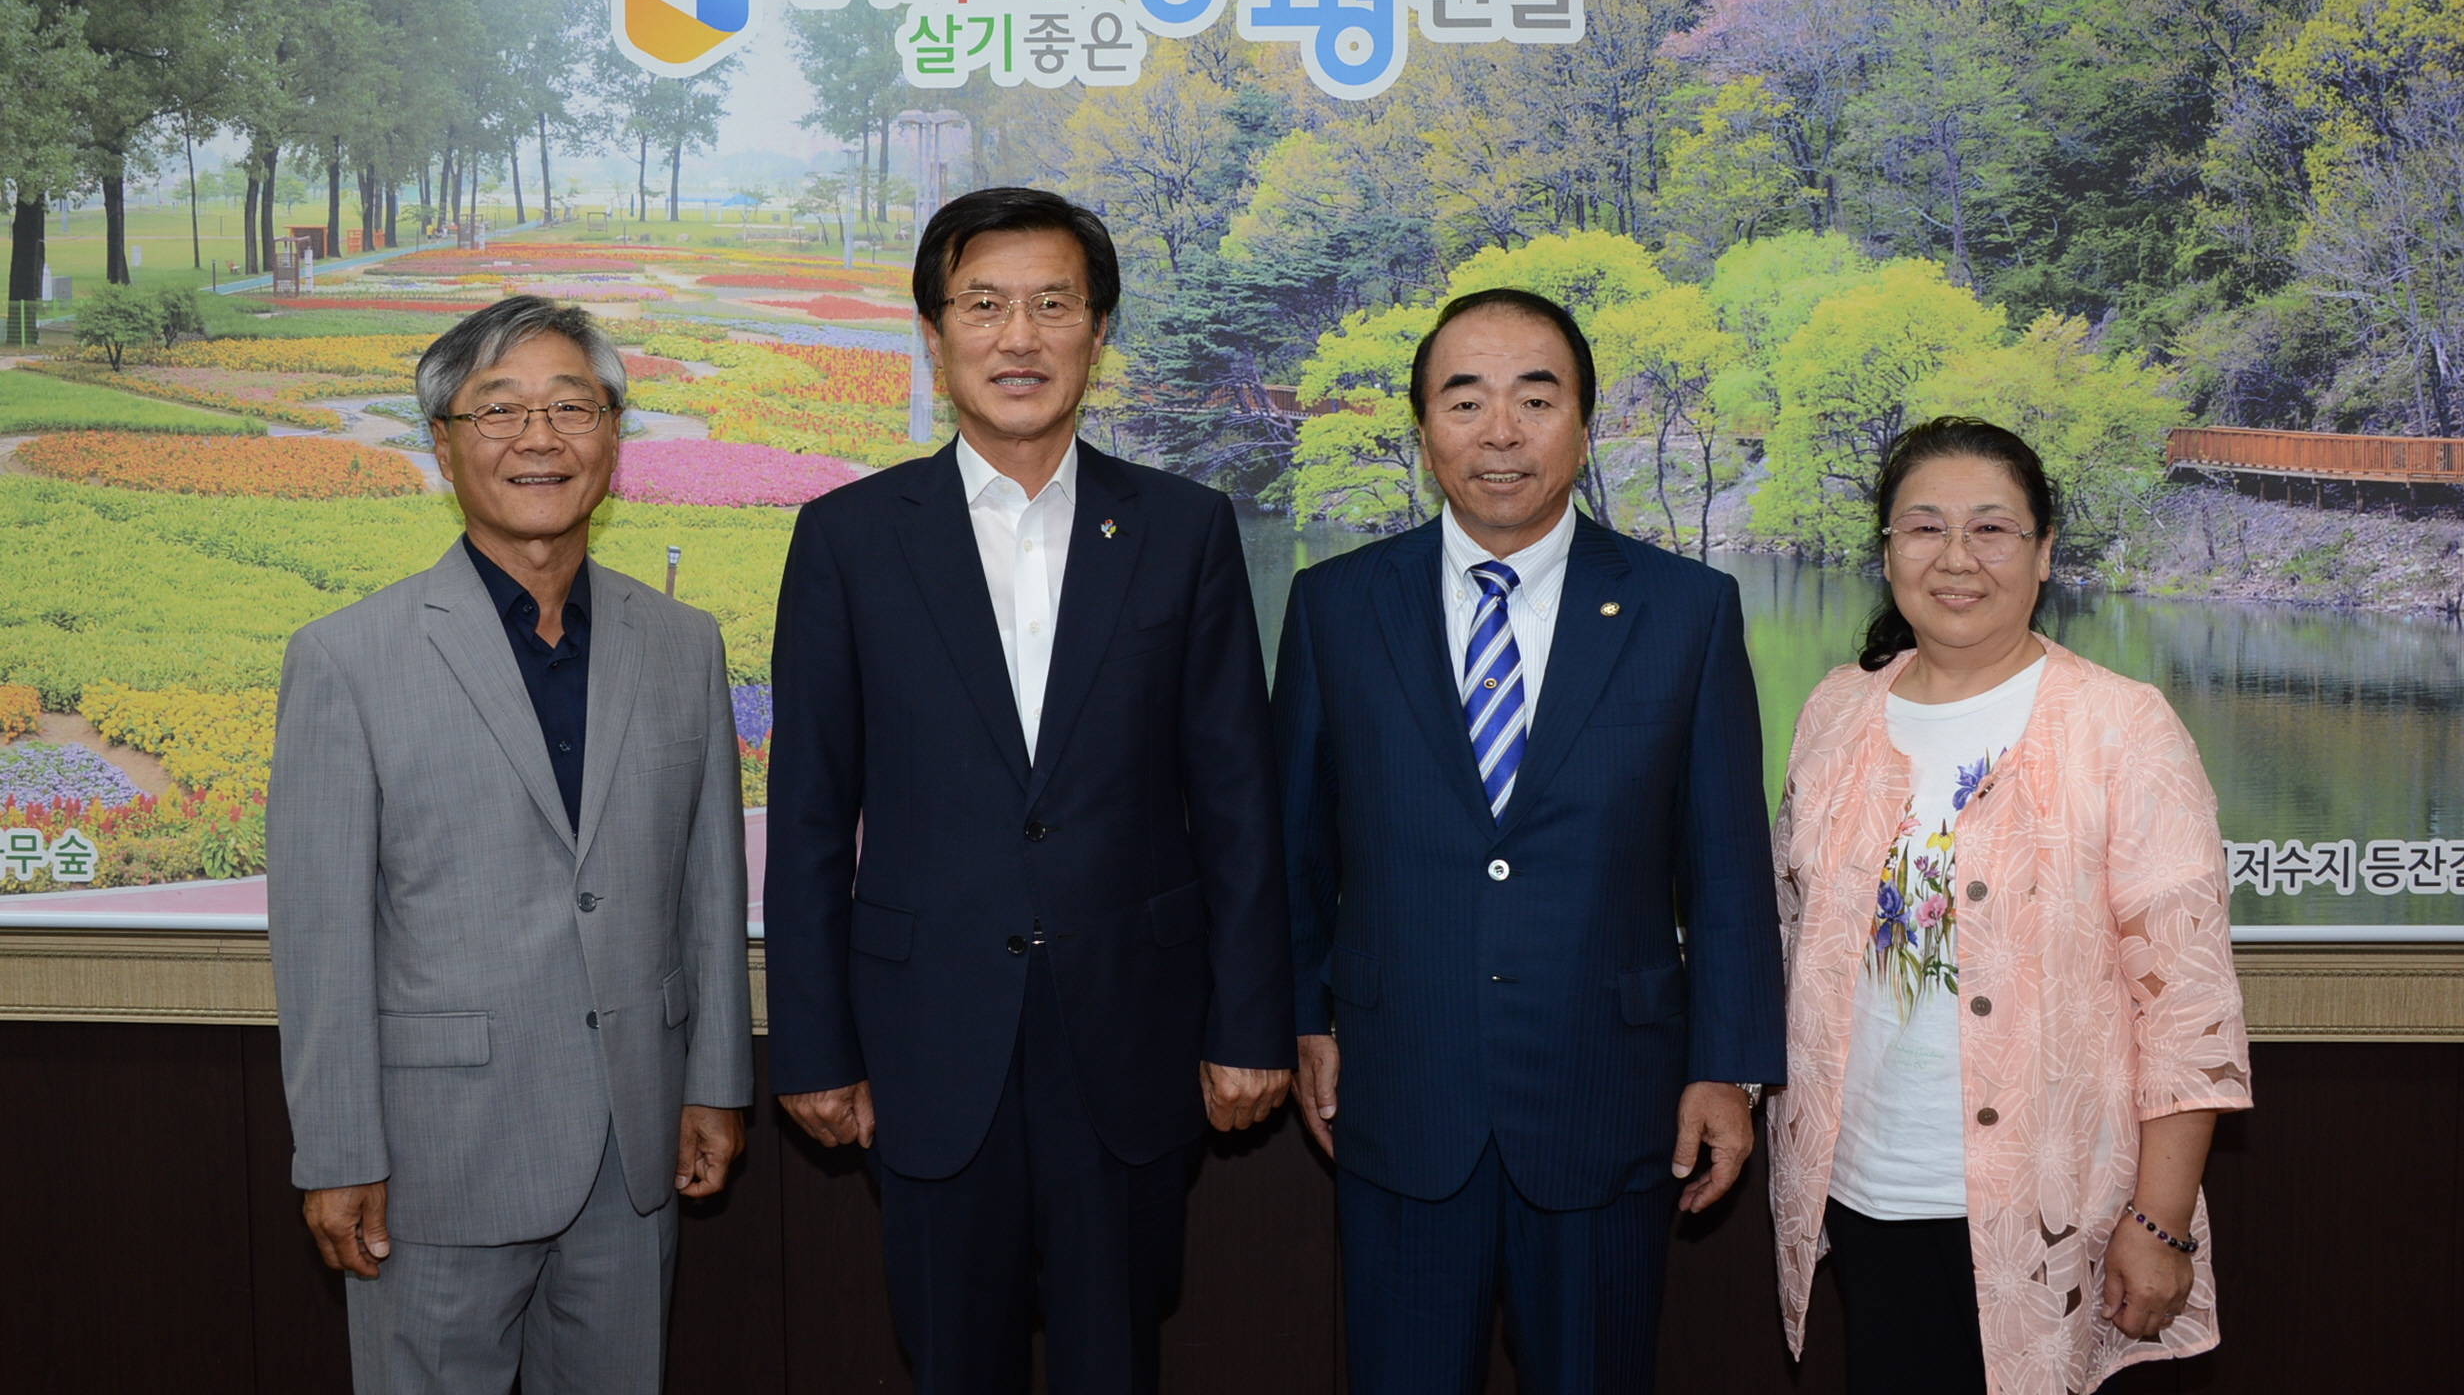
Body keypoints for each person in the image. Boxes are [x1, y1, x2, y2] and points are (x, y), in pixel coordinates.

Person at [765, 187, 1293, 1395]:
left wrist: (1248, 1019)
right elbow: (806, 813)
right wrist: (812, 1044)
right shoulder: (847, 537)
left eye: (1053, 305)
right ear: (934, 331)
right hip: (925, 1040)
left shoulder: (1182, 526)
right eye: (985, 305)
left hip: (1133, 1029)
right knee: (952, 1357)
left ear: (1097, 331)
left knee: (1118, 1356)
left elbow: (1236, 798)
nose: (1019, 337)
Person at [1275, 288, 1786, 1395]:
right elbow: (1294, 844)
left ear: (1584, 424)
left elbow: (1728, 863)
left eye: (1534, 398)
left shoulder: (1684, 609)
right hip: (1398, 1092)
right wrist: (1301, 1012)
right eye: (1464, 400)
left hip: (1610, 1101)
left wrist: (1727, 1066)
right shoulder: (1334, 605)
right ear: (1423, 430)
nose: (1498, 431)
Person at [267, 295, 753, 1395]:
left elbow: (708, 884)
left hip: (635, 1150)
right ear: (443, 444)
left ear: (614, 436)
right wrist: (339, 1151)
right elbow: (320, 932)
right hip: (435, 1162)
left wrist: (717, 1077)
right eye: (498, 410)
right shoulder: (347, 658)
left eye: (571, 406)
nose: (540, 437)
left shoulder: (681, 644)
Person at [1766, 417, 2254, 1395]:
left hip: (2056, 1205)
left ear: (2042, 554)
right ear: (1887, 550)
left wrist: (2157, 1221)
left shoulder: (2120, 726)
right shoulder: (1836, 711)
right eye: (1923, 528)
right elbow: (1788, 939)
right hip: (1865, 1185)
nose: (1956, 558)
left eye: (1991, 529)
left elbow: (2188, 1007)